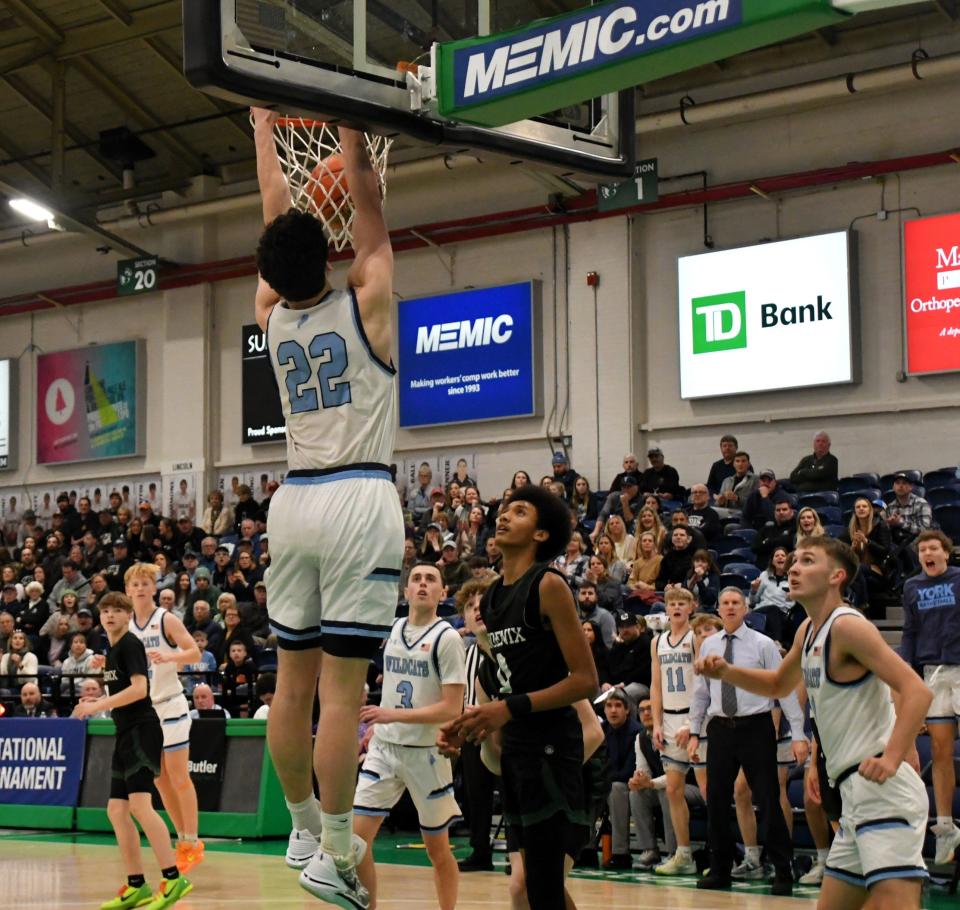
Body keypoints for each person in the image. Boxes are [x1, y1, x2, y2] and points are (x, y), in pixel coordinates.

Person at [252, 106, 405, 908]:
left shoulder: (269, 320)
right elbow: (369, 212)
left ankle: (304, 826)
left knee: (292, 687)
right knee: (344, 695)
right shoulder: (368, 299)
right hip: (358, 492)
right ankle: (337, 854)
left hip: (295, 497)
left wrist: (262, 130)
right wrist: (354, 138)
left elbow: (275, 212)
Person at [698, 537, 933, 910]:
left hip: (882, 789)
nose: (793, 568)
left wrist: (892, 755)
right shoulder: (807, 630)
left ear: (837, 576)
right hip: (852, 793)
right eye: (793, 561)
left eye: (807, 561)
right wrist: (727, 671)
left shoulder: (848, 627)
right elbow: (778, 684)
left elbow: (917, 691)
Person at [441, 486, 597, 910]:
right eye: (505, 509)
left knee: (543, 888)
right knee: (531, 889)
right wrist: (466, 726)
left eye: (520, 511)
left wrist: (509, 708)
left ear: (541, 534)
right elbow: (501, 678)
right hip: (516, 752)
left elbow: (586, 680)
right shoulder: (491, 598)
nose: (505, 515)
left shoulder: (548, 585)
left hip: (552, 749)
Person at [352, 562, 465, 910]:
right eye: (415, 579)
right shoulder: (395, 629)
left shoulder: (446, 639)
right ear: (405, 592)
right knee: (355, 843)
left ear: (442, 593)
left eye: (430, 580)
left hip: (426, 752)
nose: (422, 584)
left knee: (437, 849)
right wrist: (378, 725)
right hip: (385, 748)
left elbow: (451, 708)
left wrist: (390, 715)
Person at [73, 592, 193, 910]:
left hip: (143, 730)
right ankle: (137, 885)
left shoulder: (130, 644)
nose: (110, 615)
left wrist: (97, 704)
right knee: (116, 810)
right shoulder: (112, 651)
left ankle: (173, 878)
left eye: (117, 610)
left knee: (141, 807)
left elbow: (140, 689)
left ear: (128, 616)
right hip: (124, 732)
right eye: (105, 611)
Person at [688, 587, 806, 895]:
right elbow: (701, 692)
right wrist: (693, 731)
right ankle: (720, 869)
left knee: (768, 799)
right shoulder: (708, 645)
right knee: (715, 801)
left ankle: (783, 870)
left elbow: (784, 688)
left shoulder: (763, 644)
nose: (729, 607)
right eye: (725, 603)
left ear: (745, 607)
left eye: (735, 603)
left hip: (756, 727)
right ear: (718, 608)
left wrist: (797, 733)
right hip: (719, 729)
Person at [122, 563, 203, 873]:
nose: (140, 588)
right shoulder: (126, 626)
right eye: (135, 584)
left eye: (145, 583)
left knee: (179, 776)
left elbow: (194, 652)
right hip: (145, 711)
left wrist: (171, 656)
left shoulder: (165, 619)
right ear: (128, 590)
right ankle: (182, 838)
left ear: (154, 588)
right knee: (159, 779)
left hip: (170, 705)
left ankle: (192, 841)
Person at [899, 529, 960, 866]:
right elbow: (909, 631)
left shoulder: (959, 580)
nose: (928, 553)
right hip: (932, 672)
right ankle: (946, 825)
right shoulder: (912, 587)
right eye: (922, 549)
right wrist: (906, 671)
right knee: (939, 750)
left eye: (934, 547)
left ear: (946, 553)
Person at [649, 587, 699, 876]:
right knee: (672, 789)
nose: (677, 607)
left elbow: (704, 683)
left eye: (682, 603)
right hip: (668, 719)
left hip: (694, 721)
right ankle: (683, 854)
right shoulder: (657, 643)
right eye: (672, 604)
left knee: (708, 789)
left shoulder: (696, 639)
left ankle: (724, 853)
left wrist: (693, 723)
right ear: (666, 609)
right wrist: (656, 723)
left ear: (691, 607)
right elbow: (655, 686)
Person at [454, 579, 497, 873]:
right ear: (465, 620)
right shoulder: (464, 654)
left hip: (505, 728)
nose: (476, 611)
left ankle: (521, 853)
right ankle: (480, 850)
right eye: (470, 608)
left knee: (514, 792)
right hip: (472, 732)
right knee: (474, 794)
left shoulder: (507, 648)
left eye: (481, 605)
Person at [601, 687, 643, 870]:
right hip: (608, 783)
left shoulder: (637, 732)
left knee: (616, 788)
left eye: (618, 705)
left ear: (627, 710)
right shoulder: (600, 731)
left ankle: (621, 853)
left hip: (629, 784)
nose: (613, 710)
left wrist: (604, 780)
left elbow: (628, 771)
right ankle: (584, 849)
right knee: (587, 787)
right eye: (609, 706)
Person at [607, 612, 652, 703]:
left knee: (621, 696)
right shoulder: (618, 646)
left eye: (628, 626)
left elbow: (643, 671)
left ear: (637, 627)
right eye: (621, 627)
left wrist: (625, 683)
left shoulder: (646, 642)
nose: (625, 630)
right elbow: (608, 667)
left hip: (642, 685)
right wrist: (605, 683)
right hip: (619, 685)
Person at [885, 473, 934, 545]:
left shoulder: (921, 503)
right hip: (898, 545)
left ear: (910, 487)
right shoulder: (890, 507)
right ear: (893, 487)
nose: (900, 486)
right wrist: (889, 524)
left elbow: (925, 530)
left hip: (919, 544)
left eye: (904, 483)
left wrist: (901, 523)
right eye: (897, 483)